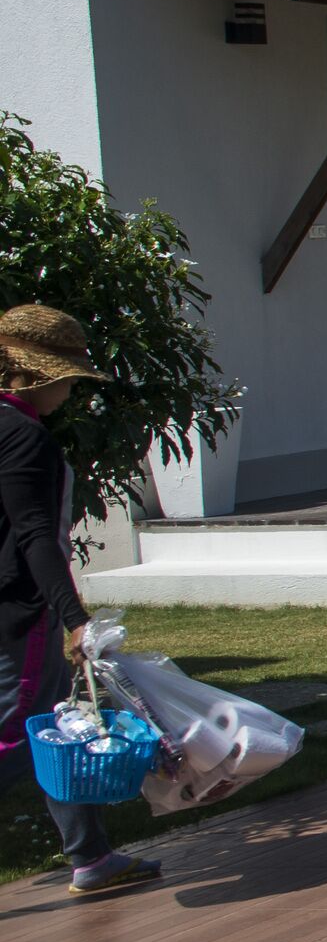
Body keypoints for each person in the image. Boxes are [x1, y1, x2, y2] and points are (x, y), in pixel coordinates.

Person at [0, 306, 155, 896]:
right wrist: (73, 618)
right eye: (67, 379)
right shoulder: (22, 436)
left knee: (60, 729)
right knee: (20, 740)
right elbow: (34, 534)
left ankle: (90, 856)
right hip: (19, 612)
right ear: (34, 375)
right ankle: (90, 856)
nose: (71, 391)